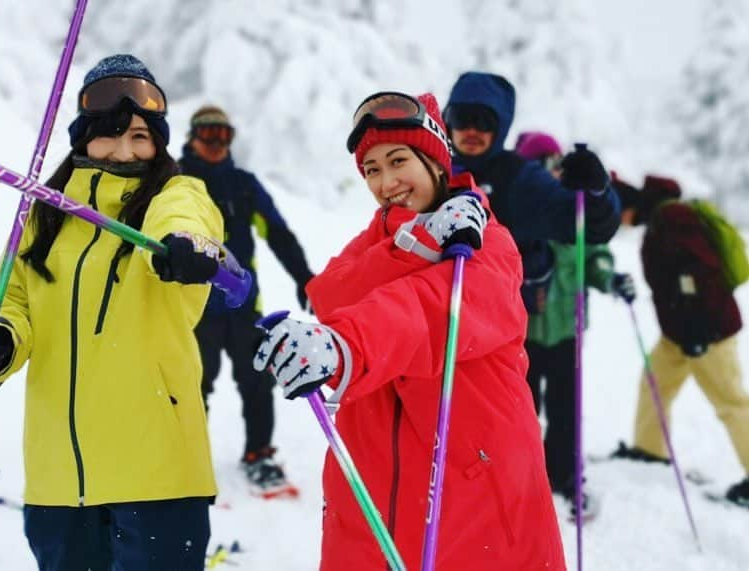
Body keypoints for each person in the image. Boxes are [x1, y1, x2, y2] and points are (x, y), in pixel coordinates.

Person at [253, 92, 565, 569]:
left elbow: (429, 311)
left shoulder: (486, 242)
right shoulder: (382, 239)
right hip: (371, 475)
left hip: (471, 475)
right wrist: (415, 244)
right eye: (371, 169)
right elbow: (330, 294)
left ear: (437, 161)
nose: (386, 181)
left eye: (398, 160)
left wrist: (346, 345)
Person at [0, 54, 226, 570]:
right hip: (59, 476)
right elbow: (10, 300)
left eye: (141, 137)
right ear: (84, 138)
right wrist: (0, 343)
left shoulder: (175, 195)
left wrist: (181, 246)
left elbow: (185, 219)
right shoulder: (43, 216)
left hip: (158, 471)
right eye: (110, 133)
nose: (125, 149)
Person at [179, 104, 314, 495]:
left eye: (225, 134)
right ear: (192, 136)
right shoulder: (177, 180)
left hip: (242, 306)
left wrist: (304, 277)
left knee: (257, 382)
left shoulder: (243, 184)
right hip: (192, 306)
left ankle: (259, 454)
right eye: (209, 134)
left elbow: (278, 234)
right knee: (190, 384)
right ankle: (186, 459)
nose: (217, 142)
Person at [610, 174, 749, 509]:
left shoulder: (672, 218)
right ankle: (650, 450)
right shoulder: (661, 219)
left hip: (706, 331)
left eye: (617, 215)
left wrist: (699, 330)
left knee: (730, 402)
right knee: (654, 384)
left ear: (628, 206)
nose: (618, 223)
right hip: (680, 334)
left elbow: (703, 273)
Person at [515, 131, 635, 512]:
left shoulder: (572, 207)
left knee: (566, 410)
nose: (548, 170)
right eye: (539, 164)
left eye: (553, 162)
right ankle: (519, 479)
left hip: (567, 329)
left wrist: (608, 277)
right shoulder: (516, 206)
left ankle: (563, 476)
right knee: (521, 412)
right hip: (522, 334)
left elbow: (594, 254)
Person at [442, 72, 621, 308]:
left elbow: (588, 225)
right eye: (462, 118)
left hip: (499, 321)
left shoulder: (518, 178)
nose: (472, 130)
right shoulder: (428, 170)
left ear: (501, 127)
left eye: (485, 121)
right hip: (433, 316)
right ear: (448, 121)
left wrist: (596, 193)